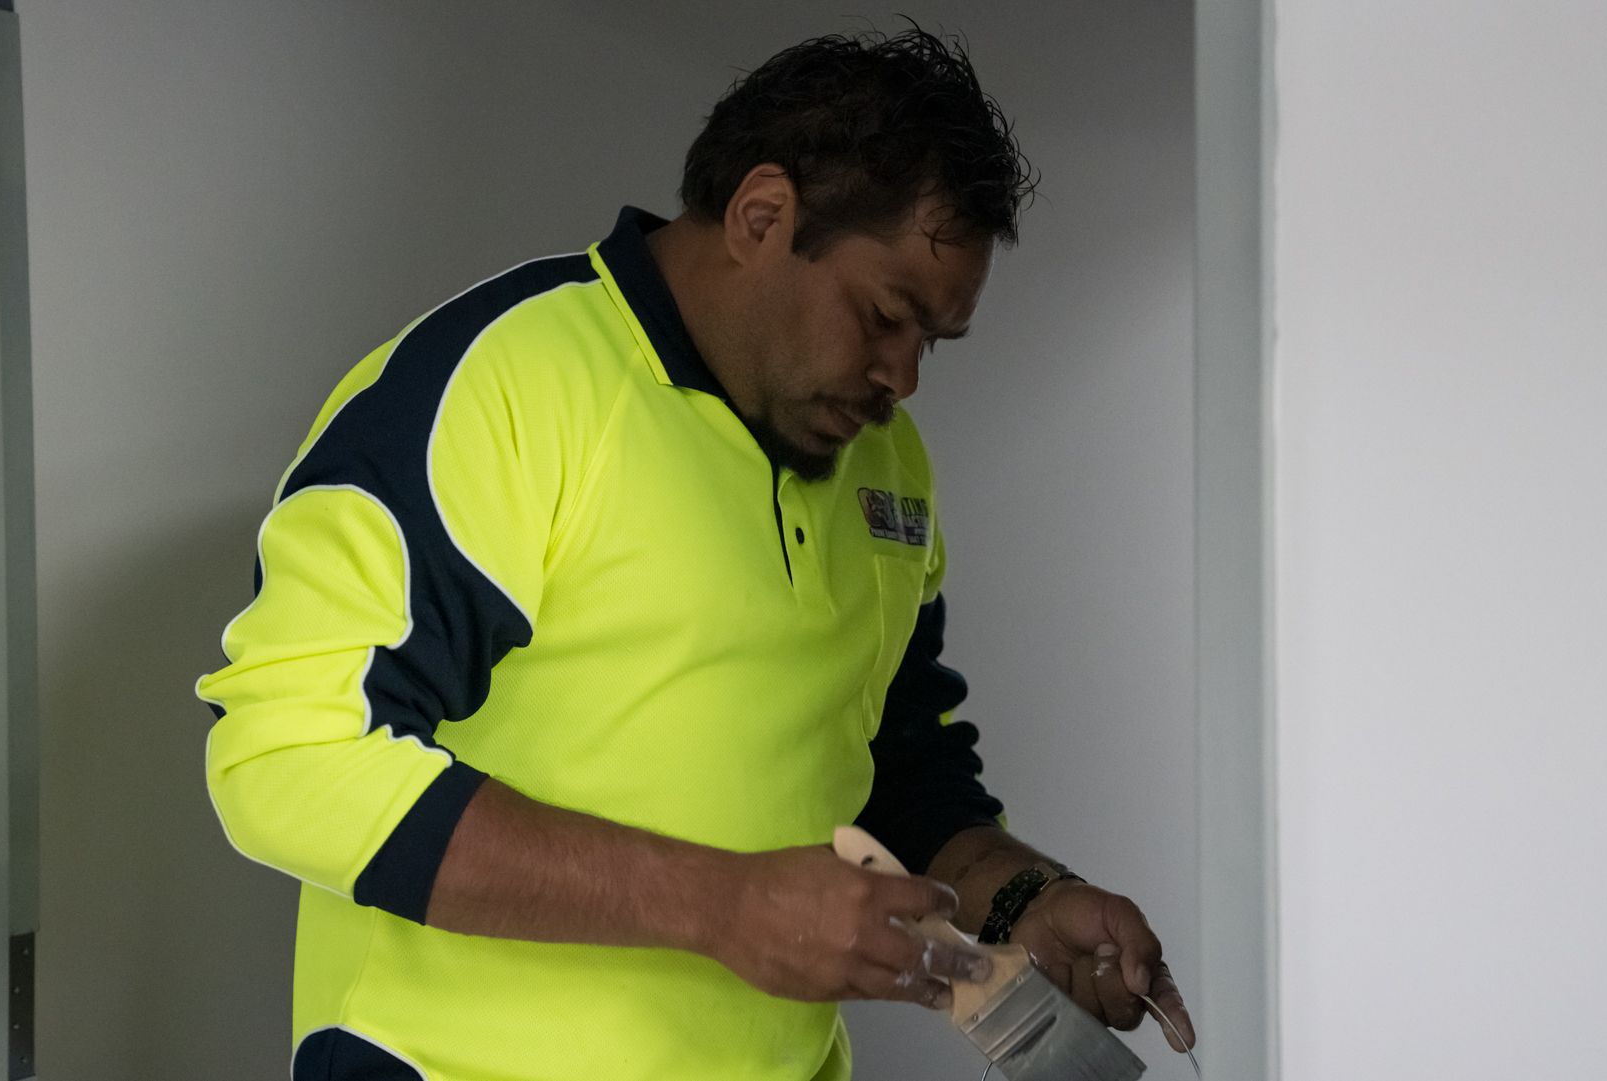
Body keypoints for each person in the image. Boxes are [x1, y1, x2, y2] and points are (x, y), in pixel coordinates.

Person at [197, 24, 1194, 1081]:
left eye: (931, 343)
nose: (903, 378)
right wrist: (721, 905)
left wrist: (1022, 898)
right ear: (762, 216)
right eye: (883, 316)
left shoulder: (887, 466)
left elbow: (899, 770)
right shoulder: (502, 386)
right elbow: (286, 754)